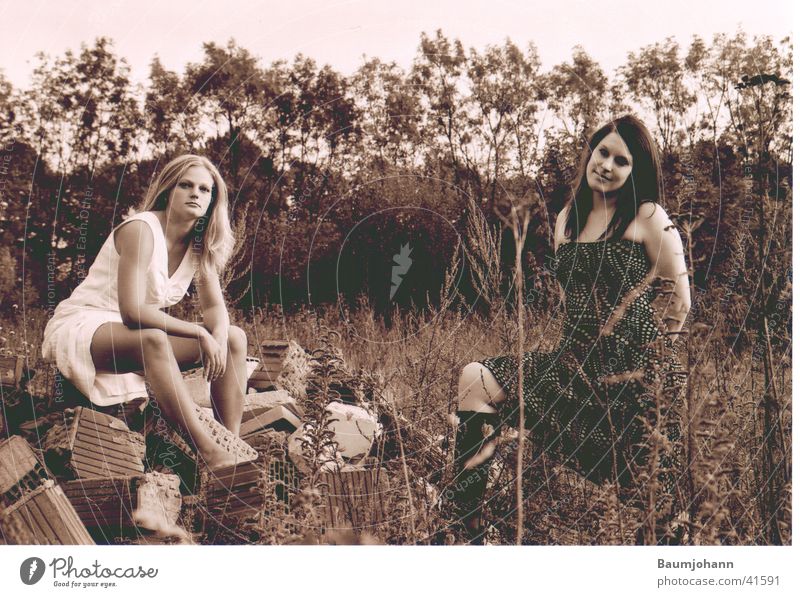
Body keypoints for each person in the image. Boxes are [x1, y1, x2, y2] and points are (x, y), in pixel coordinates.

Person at [447, 115, 691, 543]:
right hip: (573, 363)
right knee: (475, 378)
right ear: (590, 153)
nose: (607, 166)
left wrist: (656, 369)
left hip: (634, 373)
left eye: (622, 161)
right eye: (603, 153)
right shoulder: (566, 220)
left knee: (650, 506)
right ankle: (464, 529)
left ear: (636, 172)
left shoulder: (649, 216)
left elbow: (680, 300)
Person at [43, 155, 248, 470]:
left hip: (133, 333)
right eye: (186, 185)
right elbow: (133, 311)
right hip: (86, 325)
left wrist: (217, 337)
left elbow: (213, 307)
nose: (196, 194)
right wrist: (198, 332)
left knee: (234, 338)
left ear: (212, 200)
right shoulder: (141, 230)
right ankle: (210, 453)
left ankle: (230, 446)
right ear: (169, 190)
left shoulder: (200, 244)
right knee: (153, 339)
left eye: (205, 190)